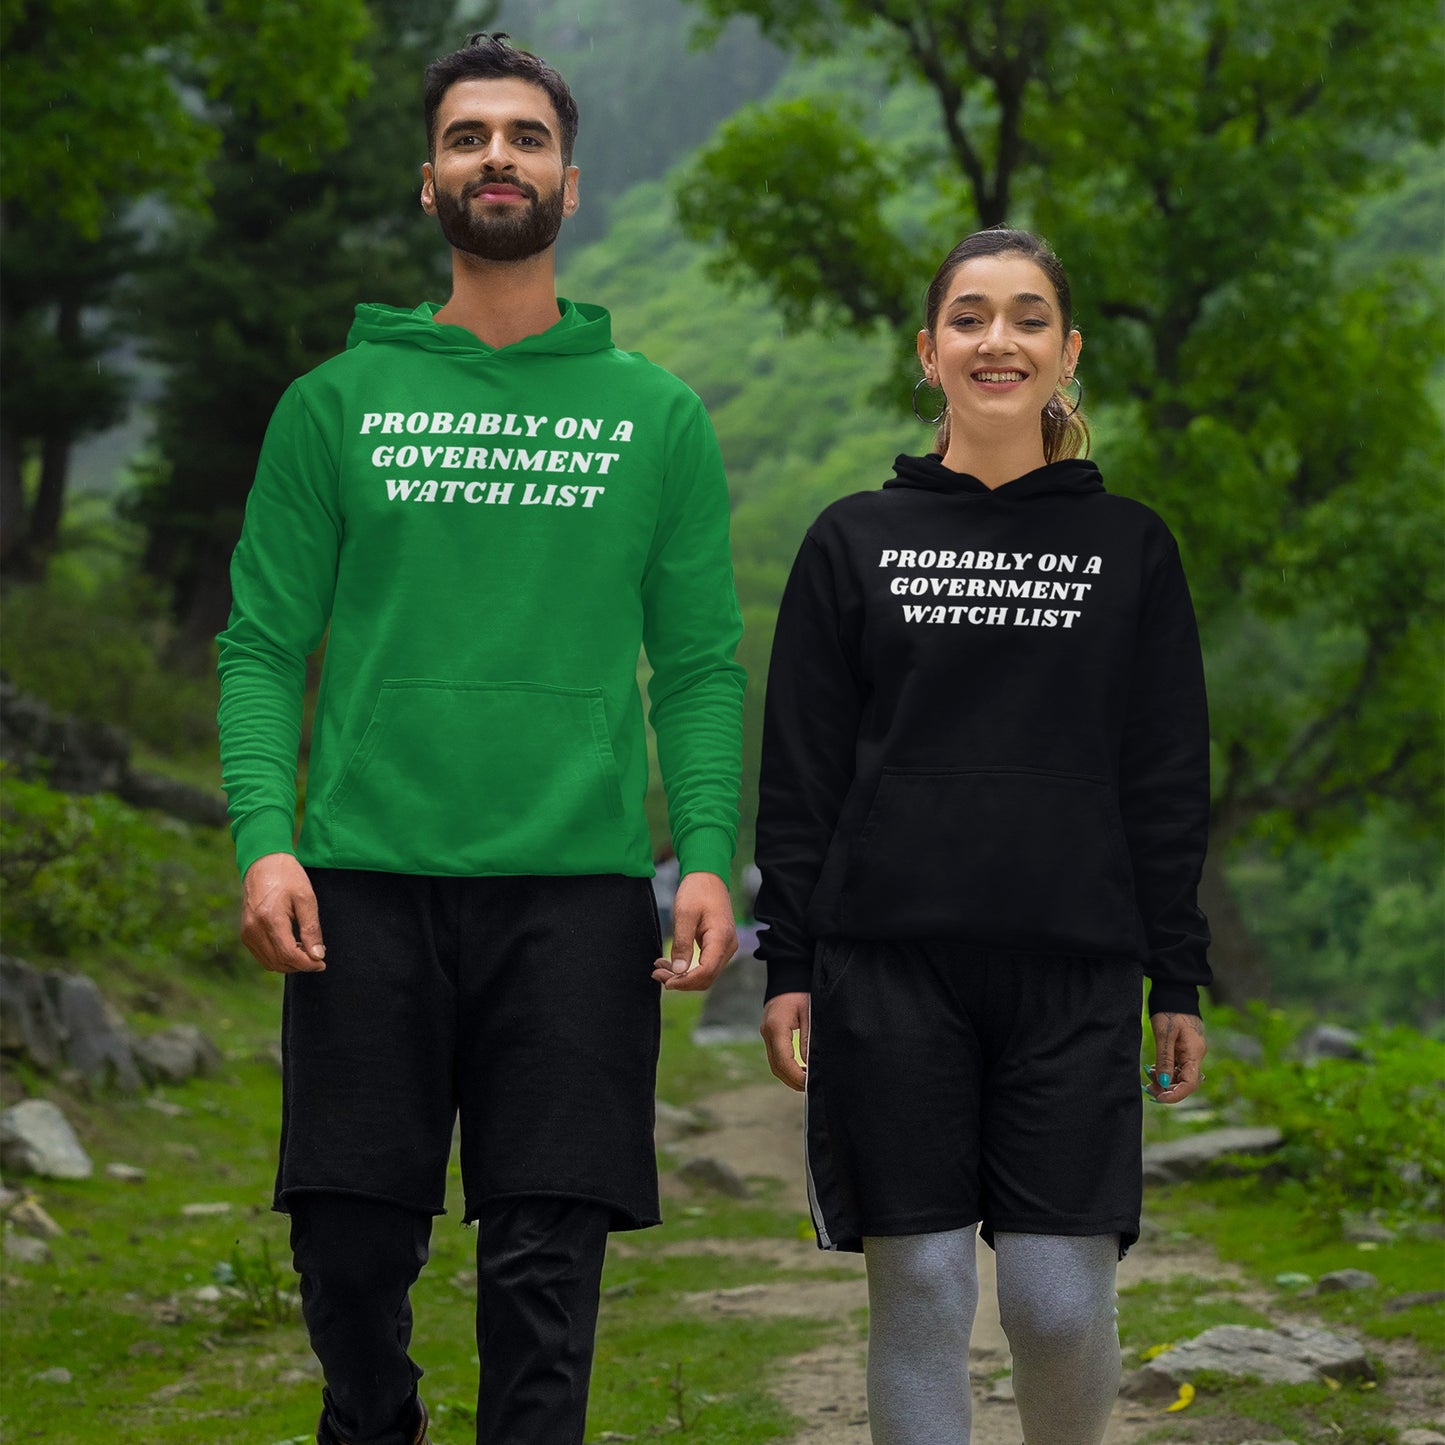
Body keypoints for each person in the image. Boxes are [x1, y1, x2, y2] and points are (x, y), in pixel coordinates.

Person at [216, 33, 744, 1445]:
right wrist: (266, 840)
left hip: (573, 901)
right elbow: (264, 646)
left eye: (522, 137)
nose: (494, 157)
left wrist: (704, 856)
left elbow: (696, 665)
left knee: (543, 1270)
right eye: (467, 137)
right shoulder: (333, 407)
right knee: (346, 1254)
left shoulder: (658, 420)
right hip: (363, 884)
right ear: (430, 179)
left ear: (568, 186)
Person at [753, 227, 1210, 1445]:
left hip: (1073, 971)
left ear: (1065, 353)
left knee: (1058, 1303)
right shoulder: (851, 540)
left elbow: (1164, 779)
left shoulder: (1133, 549)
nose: (993, 340)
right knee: (921, 1287)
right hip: (886, 970)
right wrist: (787, 960)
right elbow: (798, 776)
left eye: (1023, 318)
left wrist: (1179, 969)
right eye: (966, 316)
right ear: (927, 350)